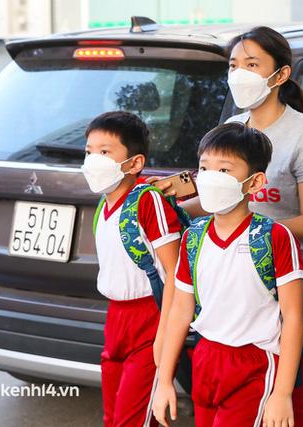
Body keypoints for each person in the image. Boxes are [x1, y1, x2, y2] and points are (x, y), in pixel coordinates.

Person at [151, 26, 303, 426]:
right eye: (235, 64)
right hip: (239, 289)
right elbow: (221, 196)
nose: (239, 73)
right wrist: (180, 198)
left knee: (290, 399)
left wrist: (252, 231)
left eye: (252, 64)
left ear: (280, 75)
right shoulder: (233, 128)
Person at [152, 123, 303, 427]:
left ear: (254, 182)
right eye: (204, 168)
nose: (210, 178)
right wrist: (164, 380)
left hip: (253, 364)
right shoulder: (193, 238)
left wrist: (282, 393)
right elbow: (180, 311)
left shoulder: (274, 237)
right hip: (205, 358)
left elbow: (293, 316)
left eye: (224, 170)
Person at [82, 111, 182, 427]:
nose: (93, 160)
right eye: (89, 152)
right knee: (113, 416)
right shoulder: (104, 205)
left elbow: (176, 274)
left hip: (149, 320)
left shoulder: (146, 202)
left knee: (131, 418)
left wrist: (163, 337)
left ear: (135, 163)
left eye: (105, 152)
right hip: (116, 320)